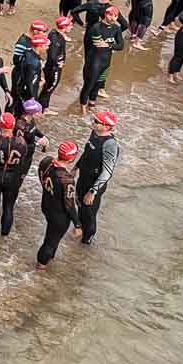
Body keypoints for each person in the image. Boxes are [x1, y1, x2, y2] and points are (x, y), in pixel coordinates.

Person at [75, 111, 120, 246]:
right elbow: (86, 153)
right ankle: (79, 229)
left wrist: (93, 191)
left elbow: (107, 172)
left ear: (106, 127)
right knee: (80, 205)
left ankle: (87, 241)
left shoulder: (110, 145)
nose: (93, 123)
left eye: (96, 122)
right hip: (83, 177)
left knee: (89, 213)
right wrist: (75, 167)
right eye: (94, 120)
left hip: (94, 183)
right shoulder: (94, 133)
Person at [35, 140, 80, 267]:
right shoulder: (67, 179)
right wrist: (77, 224)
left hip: (46, 205)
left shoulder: (46, 162)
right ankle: (40, 267)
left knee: (51, 237)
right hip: (59, 214)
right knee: (51, 241)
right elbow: (69, 205)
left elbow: (41, 177)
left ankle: (48, 259)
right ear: (72, 158)